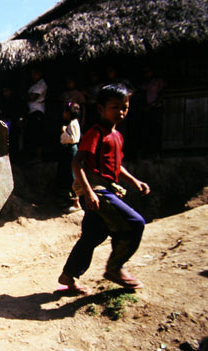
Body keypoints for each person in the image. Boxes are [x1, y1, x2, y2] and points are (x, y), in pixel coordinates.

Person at [57, 84, 150, 295]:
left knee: (93, 235)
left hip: (105, 189)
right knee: (135, 223)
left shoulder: (116, 136)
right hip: (96, 191)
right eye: (115, 106)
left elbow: (116, 166)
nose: (121, 111)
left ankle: (68, 276)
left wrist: (134, 181)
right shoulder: (95, 134)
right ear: (101, 109)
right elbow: (77, 162)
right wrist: (89, 192)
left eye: (125, 107)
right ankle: (115, 268)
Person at [57, 102, 82, 212]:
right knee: (66, 174)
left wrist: (64, 131)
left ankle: (76, 202)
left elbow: (73, 139)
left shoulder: (73, 124)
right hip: (67, 150)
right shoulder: (71, 123)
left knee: (72, 175)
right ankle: (68, 199)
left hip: (71, 150)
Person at [26, 68, 48, 160]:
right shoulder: (34, 85)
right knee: (31, 135)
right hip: (31, 112)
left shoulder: (42, 84)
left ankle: (38, 158)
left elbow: (33, 97)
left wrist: (25, 97)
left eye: (35, 73)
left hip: (37, 111)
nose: (33, 76)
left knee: (37, 135)